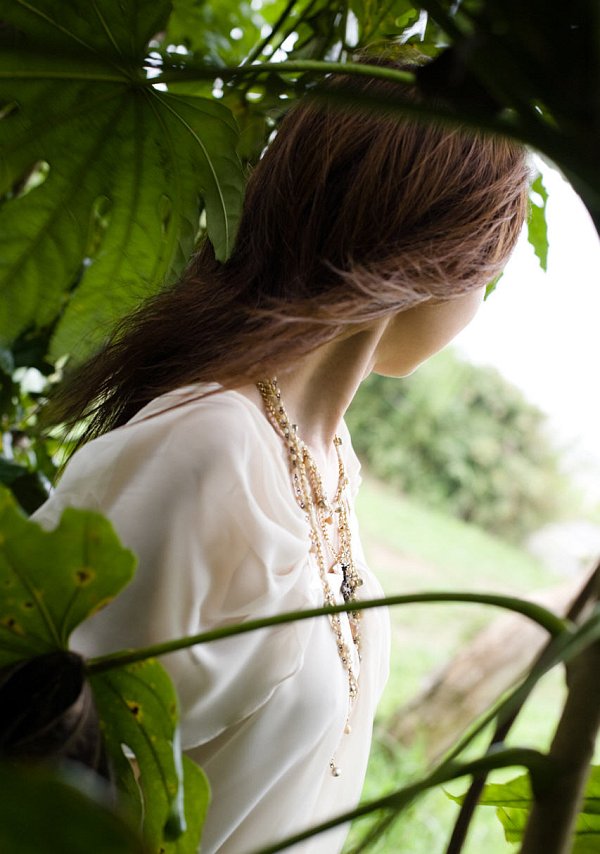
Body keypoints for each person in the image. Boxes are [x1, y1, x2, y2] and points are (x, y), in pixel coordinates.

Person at [33, 54, 530, 853]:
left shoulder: (329, 461)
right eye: (491, 268)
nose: (483, 299)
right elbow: (43, 766)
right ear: (439, 250)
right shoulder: (209, 448)